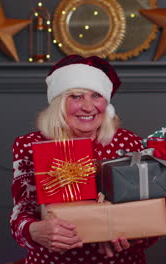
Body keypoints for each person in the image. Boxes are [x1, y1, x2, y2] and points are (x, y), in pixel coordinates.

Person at [10, 55, 155, 264]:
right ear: (59, 102)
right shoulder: (31, 145)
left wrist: (135, 237)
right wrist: (35, 230)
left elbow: (149, 214)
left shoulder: (128, 142)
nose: (88, 107)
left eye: (96, 95)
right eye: (76, 96)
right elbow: (20, 215)